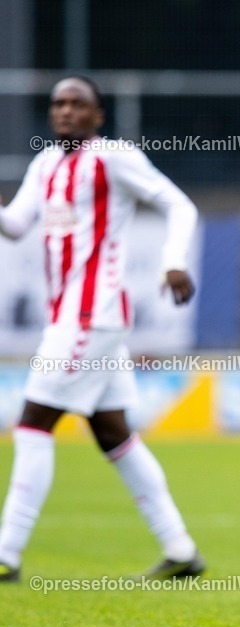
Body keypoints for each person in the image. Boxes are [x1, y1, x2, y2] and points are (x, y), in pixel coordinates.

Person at [0, 76, 203, 582]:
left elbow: (179, 204)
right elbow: (15, 224)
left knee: (31, 424)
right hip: (77, 319)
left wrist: (174, 261)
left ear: (97, 116)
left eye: (77, 104)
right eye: (58, 104)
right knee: (114, 435)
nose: (65, 111)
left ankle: (6, 554)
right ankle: (181, 550)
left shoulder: (113, 157)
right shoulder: (45, 164)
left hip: (91, 315)